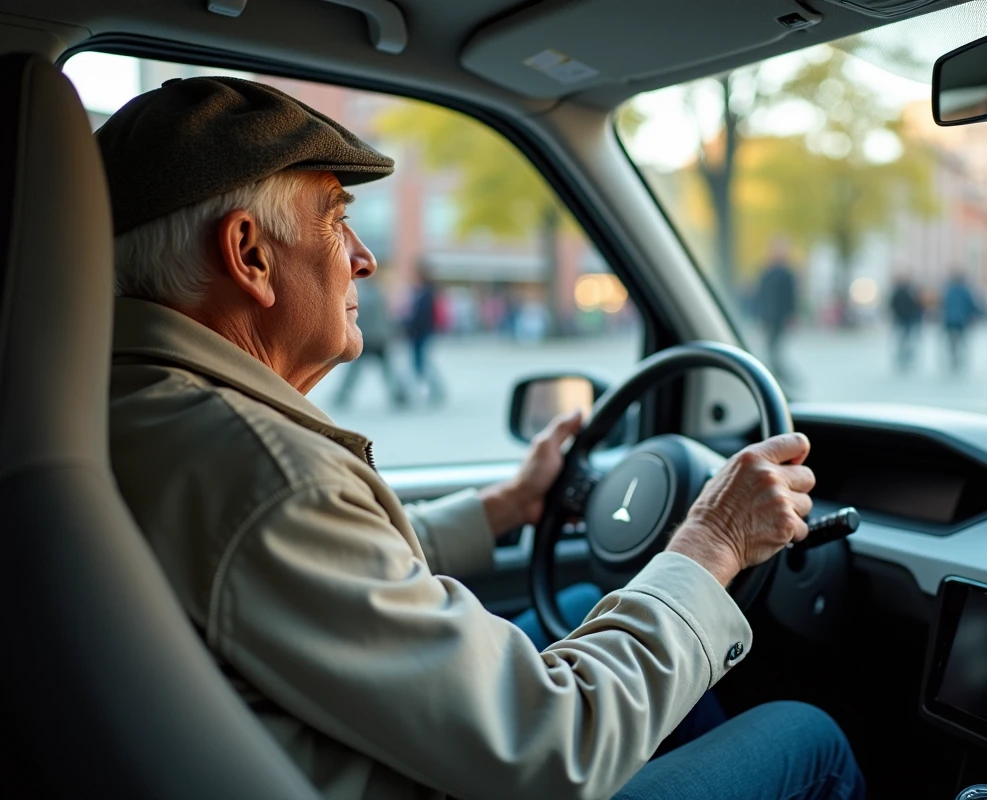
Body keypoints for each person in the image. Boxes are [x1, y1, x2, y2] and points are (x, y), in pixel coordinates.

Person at [98, 77, 864, 800]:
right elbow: (556, 743)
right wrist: (712, 542)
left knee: (581, 598)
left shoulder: (131, 410)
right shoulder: (264, 472)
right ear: (250, 255)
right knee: (809, 736)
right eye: (336, 221)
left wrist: (502, 507)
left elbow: (320, 574)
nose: (364, 259)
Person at [333, 277, 409, 408]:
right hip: (379, 339)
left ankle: (342, 394)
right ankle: (399, 394)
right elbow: (388, 318)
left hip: (365, 339)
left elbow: (356, 320)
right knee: (388, 369)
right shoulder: (381, 297)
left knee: (354, 371)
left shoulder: (361, 298)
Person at [755, 239, 801, 391]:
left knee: (774, 351)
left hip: (779, 318)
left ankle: (783, 380)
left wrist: (791, 316)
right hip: (768, 317)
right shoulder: (766, 273)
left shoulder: (787, 274)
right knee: (772, 351)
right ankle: (783, 380)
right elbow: (760, 296)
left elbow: (791, 298)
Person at [406, 261, 446, 404]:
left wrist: (411, 327)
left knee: (423, 363)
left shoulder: (427, 292)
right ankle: (436, 391)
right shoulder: (423, 291)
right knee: (422, 363)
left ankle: (438, 391)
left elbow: (422, 316)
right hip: (420, 333)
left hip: (421, 333)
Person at [941, 268, 980, 374]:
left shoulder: (948, 290)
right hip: (961, 321)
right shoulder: (965, 291)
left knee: (952, 341)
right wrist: (974, 316)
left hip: (950, 320)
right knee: (961, 340)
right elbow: (971, 305)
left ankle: (954, 357)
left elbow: (942, 305)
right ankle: (958, 358)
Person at [888, 272, 924, 372]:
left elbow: (892, 305)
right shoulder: (910, 292)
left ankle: (904, 357)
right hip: (906, 320)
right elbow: (918, 307)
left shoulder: (901, 292)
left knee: (904, 340)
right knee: (905, 340)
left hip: (904, 320)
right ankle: (905, 357)